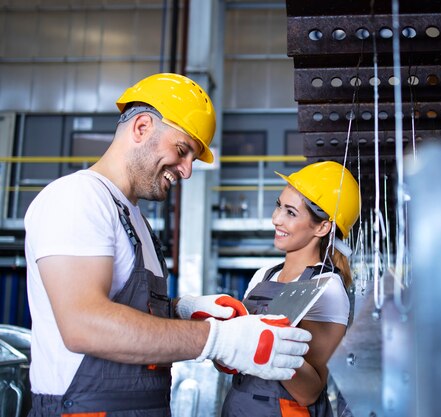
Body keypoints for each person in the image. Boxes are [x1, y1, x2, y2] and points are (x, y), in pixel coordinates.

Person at [24, 72, 312, 417]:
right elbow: (84, 324)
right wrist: (222, 340)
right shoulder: (77, 198)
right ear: (142, 127)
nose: (187, 171)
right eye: (182, 150)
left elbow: (124, 304)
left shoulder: (133, 218)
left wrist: (181, 309)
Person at [220, 160, 361, 417]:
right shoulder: (264, 275)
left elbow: (308, 391)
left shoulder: (326, 288)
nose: (276, 219)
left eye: (290, 213)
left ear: (322, 227)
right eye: (279, 206)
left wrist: (270, 346)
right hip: (239, 407)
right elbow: (237, 360)